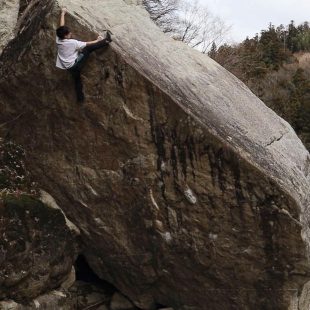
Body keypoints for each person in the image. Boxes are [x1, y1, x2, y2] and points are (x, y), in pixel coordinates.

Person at [55, 8, 112, 102]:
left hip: (67, 67)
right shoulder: (72, 43)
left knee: (77, 79)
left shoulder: (58, 39)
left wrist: (62, 13)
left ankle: (80, 98)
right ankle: (106, 41)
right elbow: (87, 44)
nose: (71, 33)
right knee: (88, 49)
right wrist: (98, 40)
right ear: (65, 36)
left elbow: (61, 26)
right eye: (69, 34)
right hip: (75, 64)